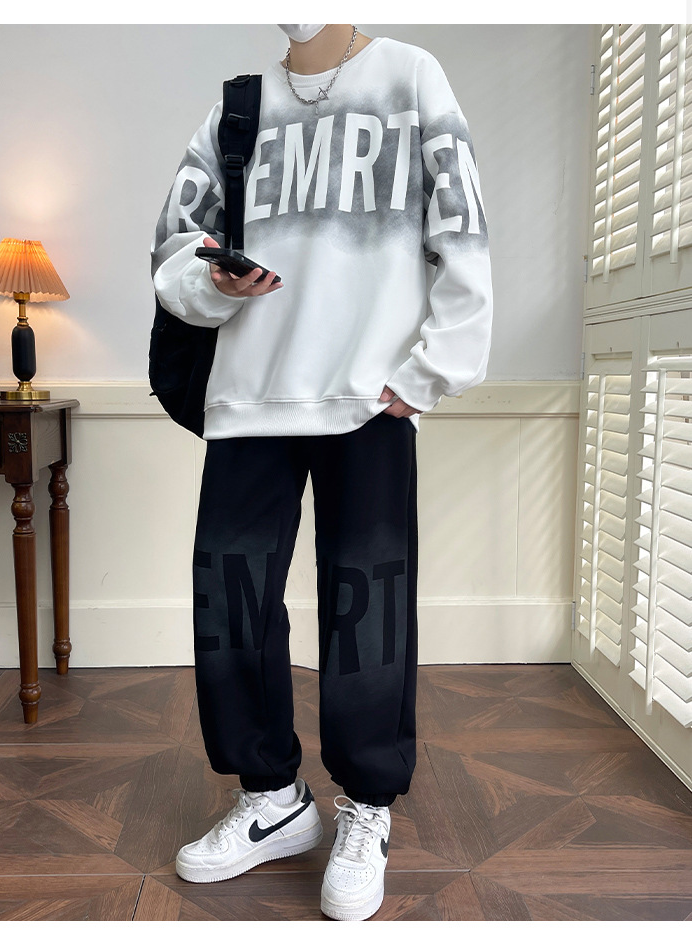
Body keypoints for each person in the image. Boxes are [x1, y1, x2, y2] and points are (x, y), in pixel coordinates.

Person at [150, 23, 493, 921]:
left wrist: (433, 370)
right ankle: (272, 798)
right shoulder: (236, 108)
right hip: (247, 395)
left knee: (367, 607)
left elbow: (461, 224)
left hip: (368, 398)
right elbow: (174, 248)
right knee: (231, 604)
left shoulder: (409, 76)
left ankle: (367, 805)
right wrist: (213, 282)